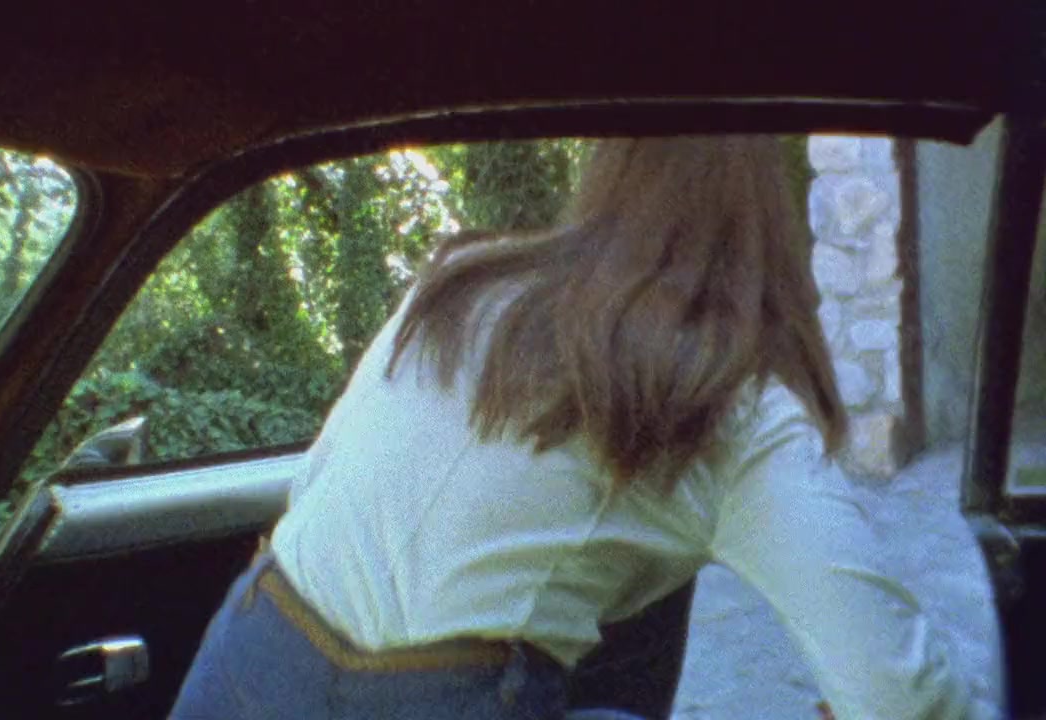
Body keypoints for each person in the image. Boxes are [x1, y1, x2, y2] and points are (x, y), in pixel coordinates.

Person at [168, 136, 996, 719]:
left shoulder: (463, 282)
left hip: (248, 651)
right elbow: (898, 696)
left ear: (608, 172)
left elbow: (316, 485)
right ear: (771, 221)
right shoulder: (733, 404)